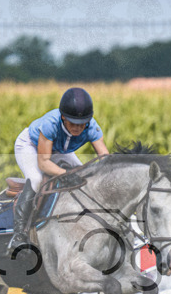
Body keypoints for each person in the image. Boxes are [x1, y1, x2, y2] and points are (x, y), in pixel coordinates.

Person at [7, 87, 110, 255]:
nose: (77, 128)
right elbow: (44, 163)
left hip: (60, 149)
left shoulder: (92, 128)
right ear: (63, 117)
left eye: (82, 124)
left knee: (83, 176)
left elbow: (105, 157)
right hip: (31, 146)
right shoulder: (50, 124)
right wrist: (64, 174)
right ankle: (19, 235)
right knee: (36, 179)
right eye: (72, 123)